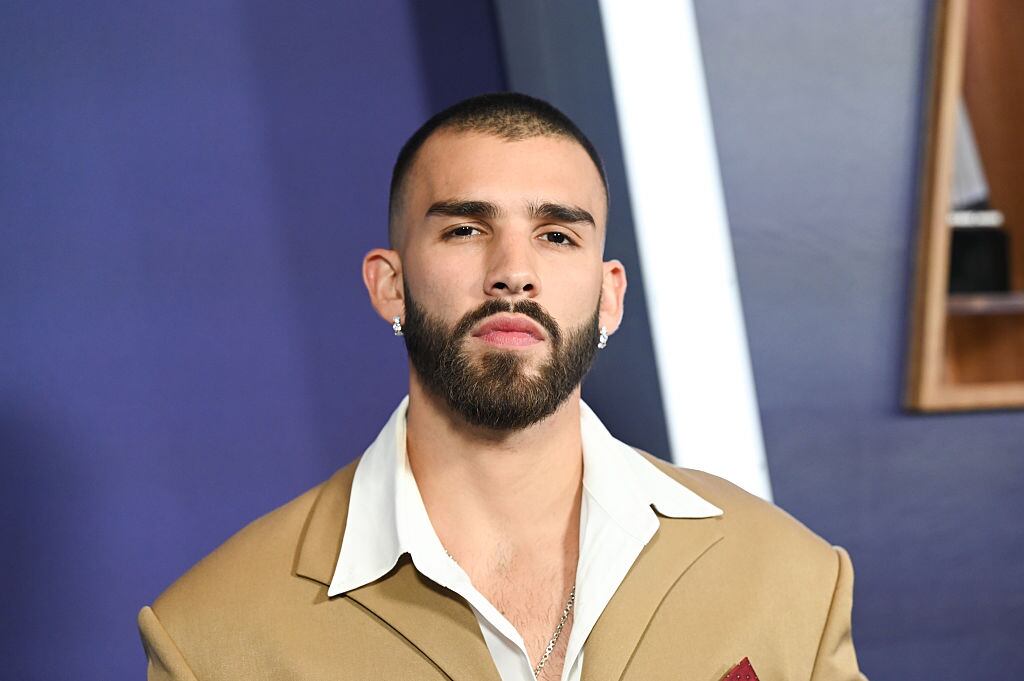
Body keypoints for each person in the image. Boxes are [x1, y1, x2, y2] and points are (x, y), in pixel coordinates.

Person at [138, 92, 867, 681]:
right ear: (390, 285)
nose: (513, 270)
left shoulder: (789, 578)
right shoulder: (216, 638)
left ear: (609, 296)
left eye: (557, 234)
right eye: (464, 229)